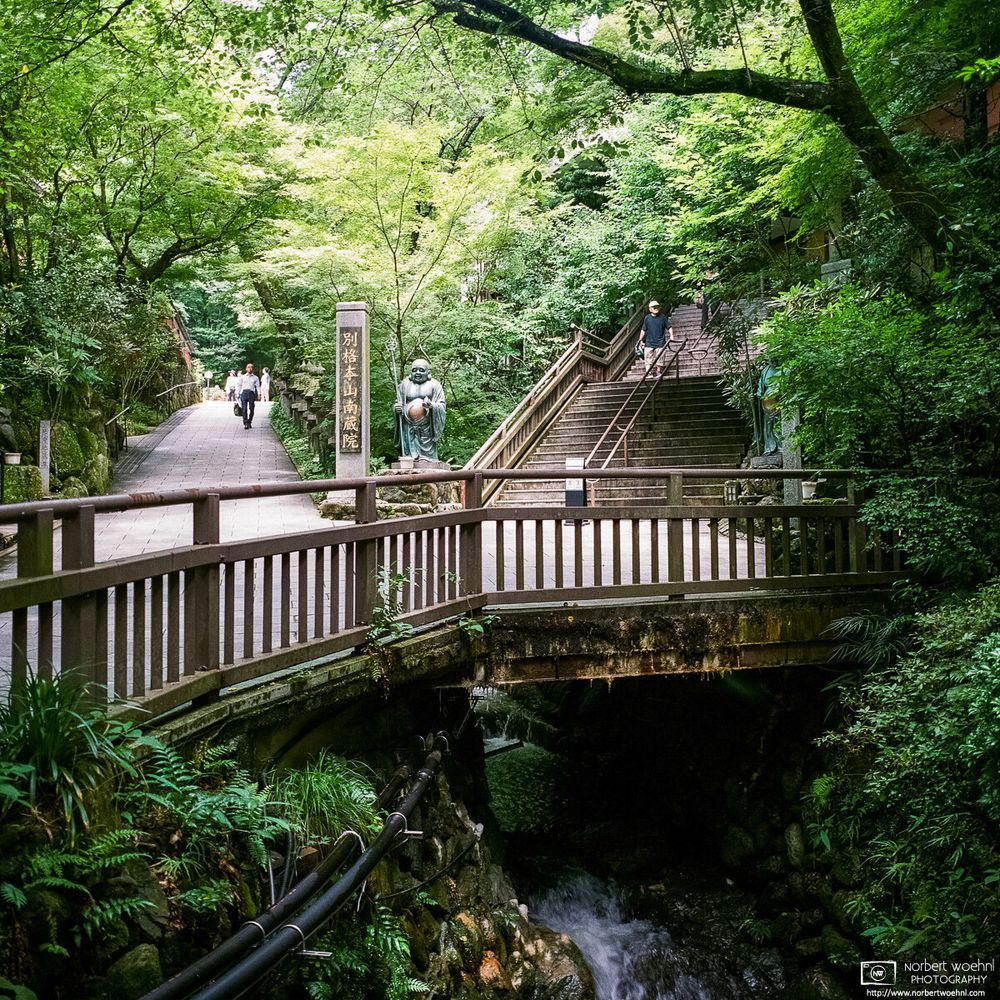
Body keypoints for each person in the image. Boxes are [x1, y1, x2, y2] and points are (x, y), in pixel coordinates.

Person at [394, 358, 446, 461]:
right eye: (414, 370)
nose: (417, 373)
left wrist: (432, 406)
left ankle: (427, 458)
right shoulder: (404, 385)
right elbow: (399, 402)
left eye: (421, 370)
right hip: (408, 425)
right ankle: (409, 458)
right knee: (409, 456)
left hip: (427, 425)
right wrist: (397, 409)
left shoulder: (435, 385)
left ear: (428, 372)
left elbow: (441, 405)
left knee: (427, 456)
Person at [638, 300, 674, 376]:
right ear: (650, 309)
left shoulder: (662, 317)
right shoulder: (647, 318)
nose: (656, 308)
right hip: (649, 342)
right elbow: (643, 329)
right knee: (648, 359)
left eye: (657, 307)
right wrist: (640, 340)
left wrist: (671, 335)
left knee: (660, 358)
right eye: (654, 307)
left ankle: (658, 372)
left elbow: (669, 327)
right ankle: (649, 373)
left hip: (660, 342)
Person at [237, 363, 260, 429]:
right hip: (244, 393)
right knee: (244, 409)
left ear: (253, 368)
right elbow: (239, 385)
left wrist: (259, 394)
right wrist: (237, 393)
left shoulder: (255, 378)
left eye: (251, 367)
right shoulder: (243, 377)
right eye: (248, 367)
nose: (250, 368)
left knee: (252, 408)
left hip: (251, 393)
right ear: (246, 368)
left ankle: (249, 421)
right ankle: (245, 423)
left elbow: (258, 386)